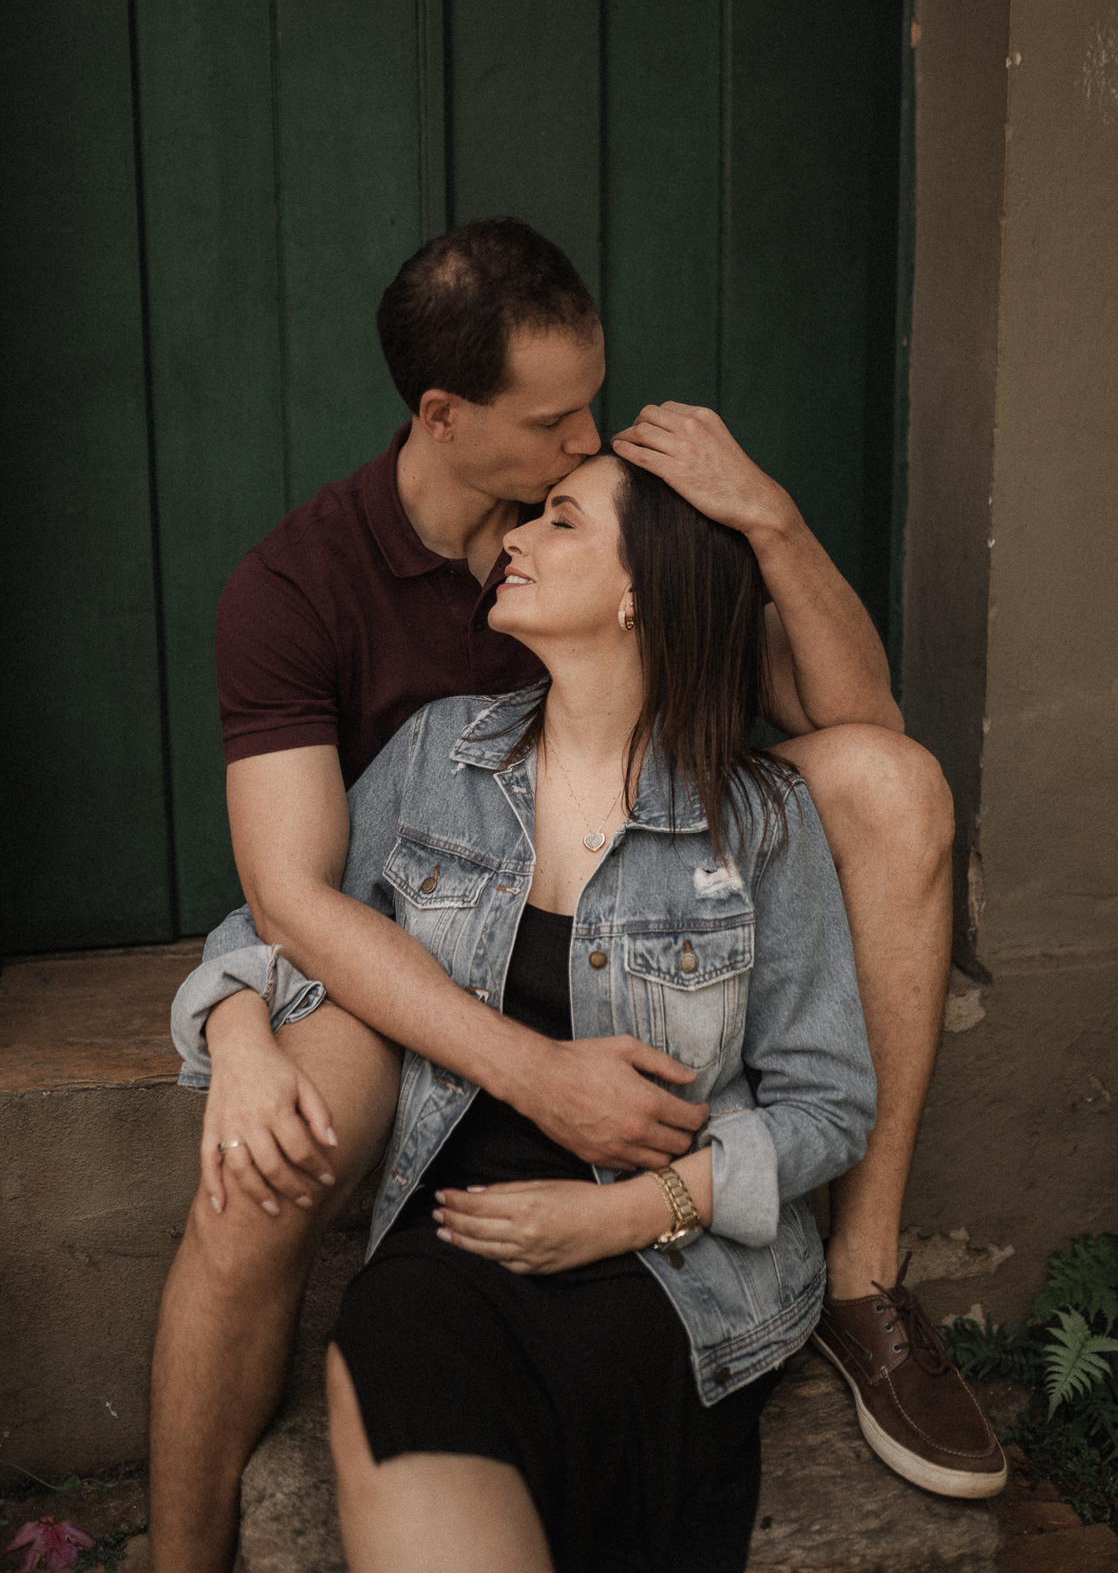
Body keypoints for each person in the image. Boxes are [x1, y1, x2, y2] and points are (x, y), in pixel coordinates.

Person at [152, 218, 999, 1573]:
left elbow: (858, 718)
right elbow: (292, 899)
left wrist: (767, 516)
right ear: (443, 416)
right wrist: (245, 1029)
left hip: (655, 874)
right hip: (409, 951)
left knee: (895, 784)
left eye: (590, 408)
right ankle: (179, 1554)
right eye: (553, 424)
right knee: (262, 1175)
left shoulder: (621, 520)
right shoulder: (307, 597)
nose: (587, 438)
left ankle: (862, 1275)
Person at [187, 446, 880, 1573]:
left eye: (560, 520)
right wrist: (239, 1037)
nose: (512, 537)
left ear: (639, 592)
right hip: (455, 1243)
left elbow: (830, 1106)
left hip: (675, 1273)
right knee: (387, 1352)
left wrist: (626, 1216)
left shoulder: (761, 818)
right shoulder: (438, 755)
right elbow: (277, 919)